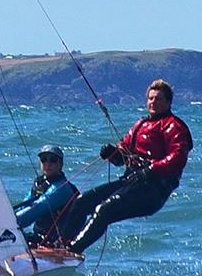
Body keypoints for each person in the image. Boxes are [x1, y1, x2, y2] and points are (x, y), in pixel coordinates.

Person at [62, 80, 193, 254]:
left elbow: (177, 158)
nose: (153, 102)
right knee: (82, 202)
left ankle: (72, 250)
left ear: (168, 102)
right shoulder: (140, 125)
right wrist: (112, 153)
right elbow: (121, 156)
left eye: (159, 99)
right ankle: (60, 245)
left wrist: (151, 170)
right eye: (151, 98)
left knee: (104, 210)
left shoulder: (174, 126)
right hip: (130, 182)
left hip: (153, 190)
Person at [15, 145, 81, 248]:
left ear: (60, 164)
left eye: (53, 160)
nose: (47, 164)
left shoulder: (61, 188)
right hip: (40, 237)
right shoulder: (39, 183)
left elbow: (37, 208)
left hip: (57, 243)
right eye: (43, 160)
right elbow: (25, 205)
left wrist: (12, 223)